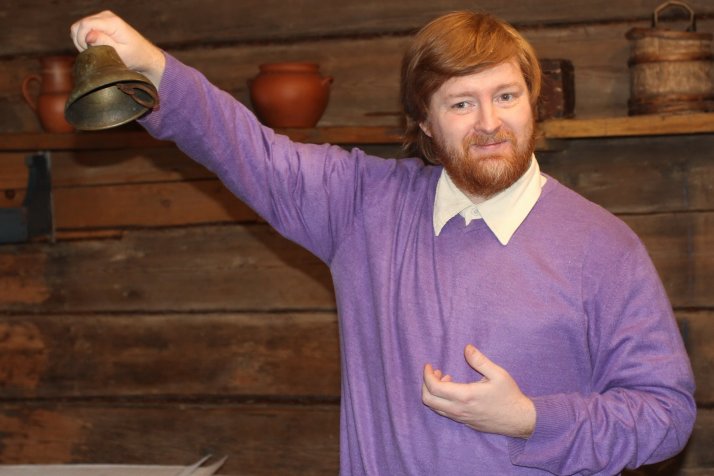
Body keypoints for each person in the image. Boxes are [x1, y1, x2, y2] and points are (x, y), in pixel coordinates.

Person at [70, 10, 696, 475]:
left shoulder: (603, 246)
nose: (490, 123)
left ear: (533, 102)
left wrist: (531, 420)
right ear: (424, 122)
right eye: (461, 104)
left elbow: (666, 414)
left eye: (506, 96)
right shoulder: (362, 206)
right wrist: (152, 65)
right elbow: (246, 149)